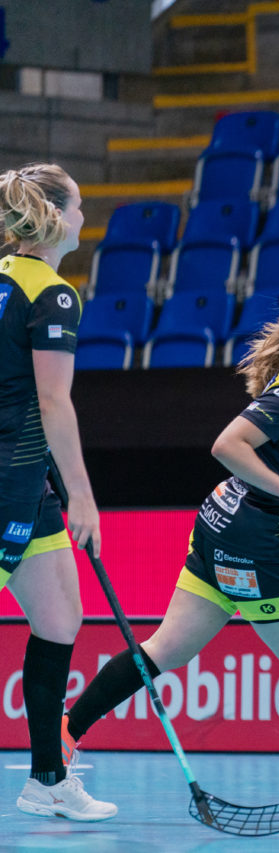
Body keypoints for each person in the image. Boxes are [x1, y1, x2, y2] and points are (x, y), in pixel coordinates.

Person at [63, 289, 279, 810]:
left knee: (168, 649)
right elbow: (227, 445)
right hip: (254, 543)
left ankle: (65, 732)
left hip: (226, 524)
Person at [0, 163, 116, 821]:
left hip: (26, 480)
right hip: (8, 482)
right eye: (76, 207)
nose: (82, 218)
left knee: (60, 618)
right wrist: (84, 496)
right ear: (52, 216)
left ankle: (46, 779)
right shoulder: (54, 293)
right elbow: (53, 401)